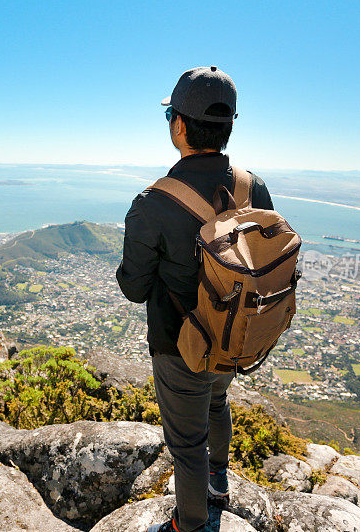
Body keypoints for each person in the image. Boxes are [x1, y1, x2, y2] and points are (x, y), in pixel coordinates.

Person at [116, 66, 274, 532]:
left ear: (179, 126)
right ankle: (218, 482)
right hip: (237, 334)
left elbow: (133, 287)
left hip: (179, 342)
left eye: (169, 113)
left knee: (186, 443)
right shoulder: (252, 186)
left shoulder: (153, 202)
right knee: (217, 404)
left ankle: (190, 524)